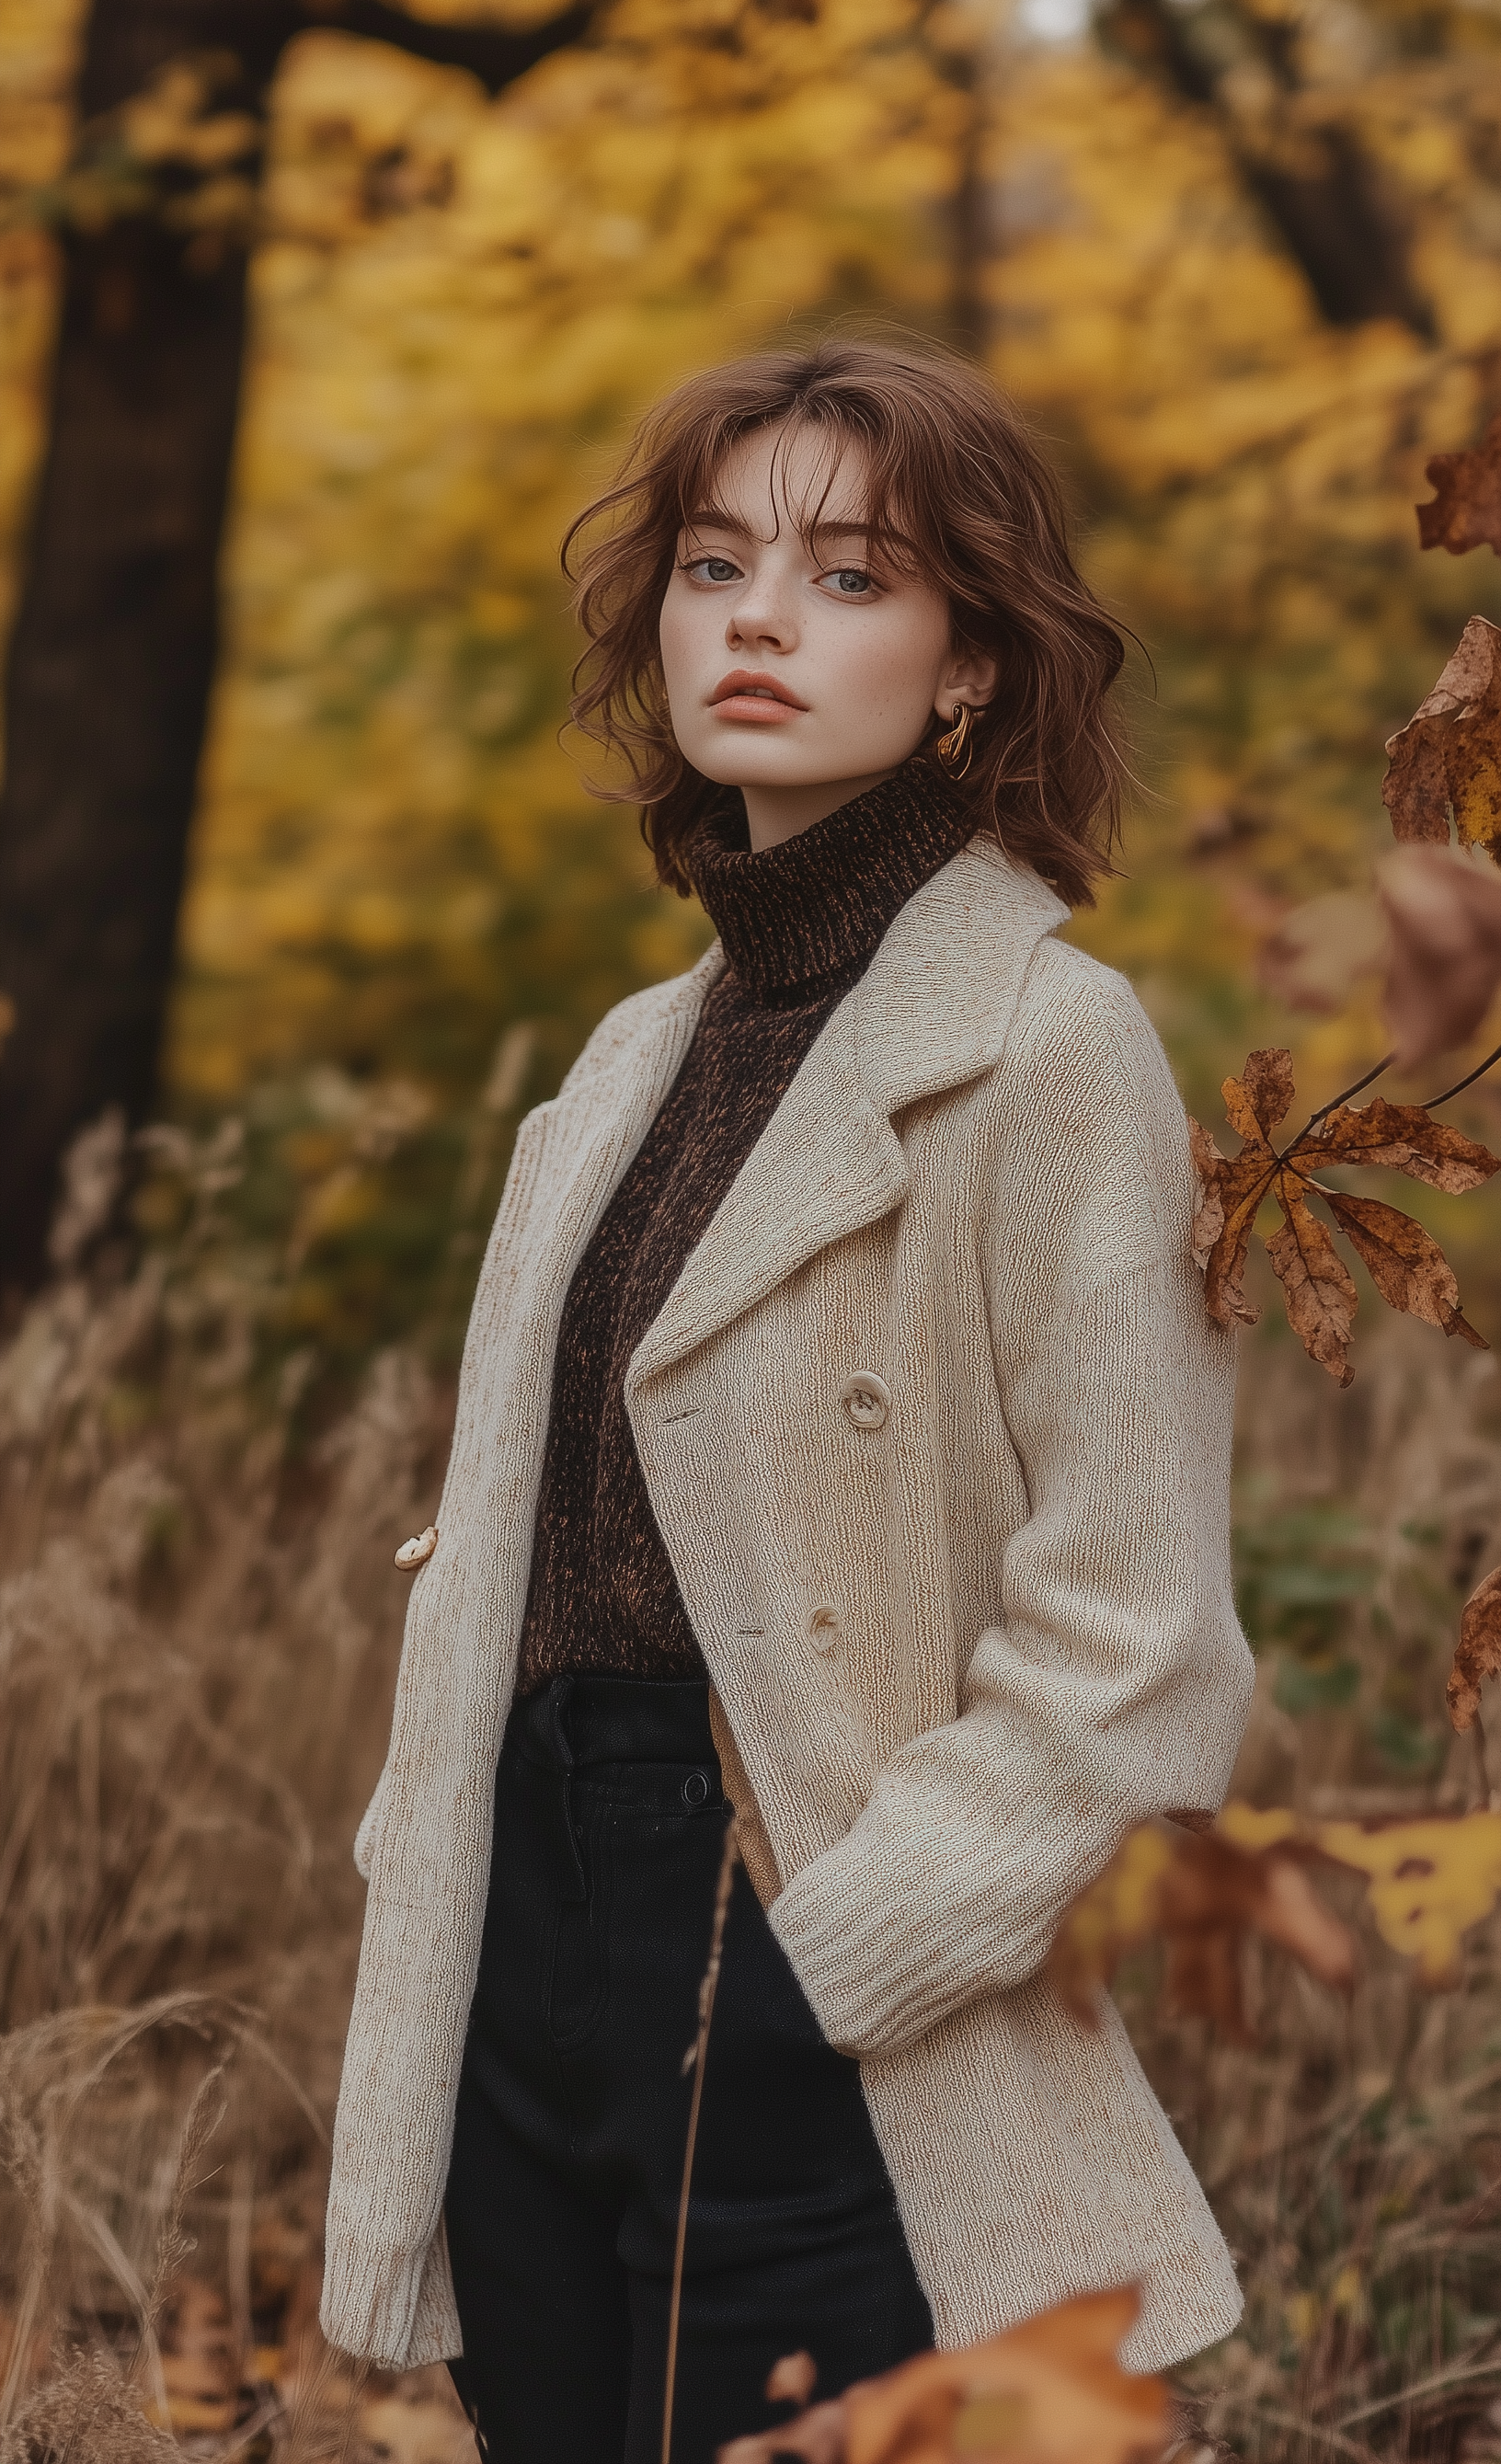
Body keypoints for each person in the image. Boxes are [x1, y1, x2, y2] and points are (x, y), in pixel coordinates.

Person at [319, 337, 1255, 2462]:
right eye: (717, 561)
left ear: (967, 667)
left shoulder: (1050, 1045)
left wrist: (841, 1955)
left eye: (849, 575)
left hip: (796, 1956)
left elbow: (1138, 1641)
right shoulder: (624, 1068)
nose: (757, 615)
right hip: (512, 1940)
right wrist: (437, 1895)